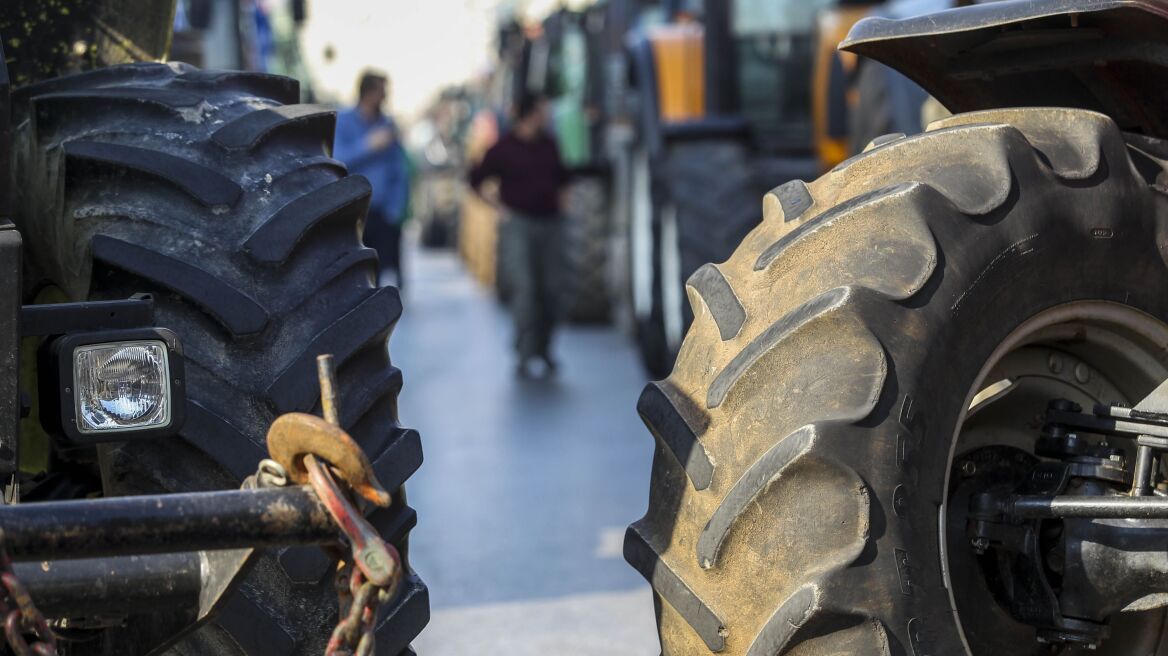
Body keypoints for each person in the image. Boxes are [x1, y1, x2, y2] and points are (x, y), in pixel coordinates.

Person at [469, 94, 569, 378]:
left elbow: (564, 179)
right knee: (524, 288)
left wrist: (563, 208)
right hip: (519, 225)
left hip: (550, 225)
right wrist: (498, 208)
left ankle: (545, 348)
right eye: (542, 111)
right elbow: (475, 180)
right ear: (530, 115)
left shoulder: (550, 145)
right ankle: (524, 352)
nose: (547, 116)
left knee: (552, 289)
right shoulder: (503, 148)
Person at [334, 71, 410, 289]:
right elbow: (339, 159)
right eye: (381, 92)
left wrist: (395, 209)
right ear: (368, 93)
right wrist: (369, 145)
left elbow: (399, 170)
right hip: (354, 211)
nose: (385, 97)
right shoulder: (345, 122)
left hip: (382, 212)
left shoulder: (387, 125)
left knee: (381, 272)